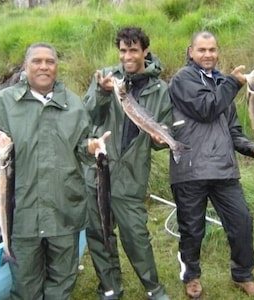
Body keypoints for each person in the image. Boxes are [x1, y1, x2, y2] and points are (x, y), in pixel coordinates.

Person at [0, 42, 108, 300]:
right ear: (26, 66)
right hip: (20, 215)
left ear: (56, 67)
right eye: (37, 61)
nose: (44, 66)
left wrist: (91, 147)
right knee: (25, 287)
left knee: (62, 282)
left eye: (50, 61)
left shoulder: (74, 104)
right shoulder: (6, 101)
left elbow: (81, 145)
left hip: (64, 211)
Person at [168, 31, 254, 298]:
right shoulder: (182, 80)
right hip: (189, 169)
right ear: (190, 52)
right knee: (191, 228)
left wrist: (252, 148)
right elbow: (205, 108)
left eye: (212, 49)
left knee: (241, 221)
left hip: (224, 169)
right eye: (202, 50)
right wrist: (233, 84)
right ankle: (191, 275)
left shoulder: (223, 83)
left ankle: (242, 275)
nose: (208, 54)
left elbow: (232, 130)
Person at [83, 26, 171, 300]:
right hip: (99, 171)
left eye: (133, 50)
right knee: (99, 234)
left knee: (136, 236)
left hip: (132, 176)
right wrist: (101, 91)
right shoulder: (105, 78)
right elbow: (86, 116)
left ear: (145, 51)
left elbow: (162, 132)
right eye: (123, 50)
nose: (127, 56)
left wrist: (161, 140)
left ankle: (153, 288)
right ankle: (110, 288)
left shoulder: (160, 89)